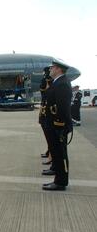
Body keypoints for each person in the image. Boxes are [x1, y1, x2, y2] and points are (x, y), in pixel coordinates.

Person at [42, 60, 73, 191]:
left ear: (59, 69)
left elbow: (63, 108)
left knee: (60, 155)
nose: (50, 70)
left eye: (53, 68)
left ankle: (60, 182)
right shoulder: (58, 82)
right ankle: (59, 178)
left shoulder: (62, 84)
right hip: (54, 124)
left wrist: (59, 125)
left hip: (58, 126)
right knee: (56, 153)